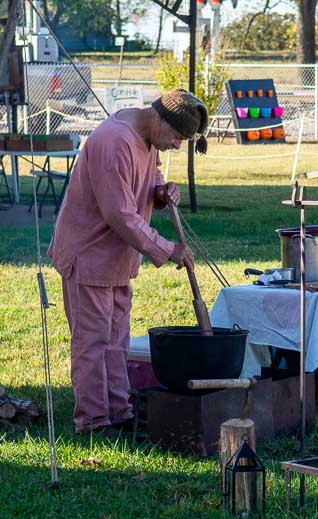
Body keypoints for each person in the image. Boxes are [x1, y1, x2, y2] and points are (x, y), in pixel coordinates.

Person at [47, 89, 206, 434]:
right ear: (161, 119)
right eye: (177, 137)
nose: (177, 145)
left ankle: (118, 411)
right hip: (88, 255)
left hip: (117, 259)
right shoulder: (114, 140)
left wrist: (161, 191)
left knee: (117, 340)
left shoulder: (147, 136)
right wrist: (167, 249)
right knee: (92, 342)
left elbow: (147, 175)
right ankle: (92, 420)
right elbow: (119, 214)